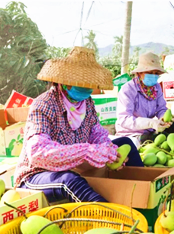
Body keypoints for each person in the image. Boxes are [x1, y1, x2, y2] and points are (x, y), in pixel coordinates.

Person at [14, 47, 144, 204]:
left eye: (89, 83)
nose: (87, 87)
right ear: (65, 82)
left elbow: (97, 133)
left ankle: (143, 195)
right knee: (69, 181)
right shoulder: (44, 104)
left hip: (72, 166)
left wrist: (109, 151)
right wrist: (86, 151)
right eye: (81, 82)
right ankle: (110, 216)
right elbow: (38, 153)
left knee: (124, 143)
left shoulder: (86, 103)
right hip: (37, 175)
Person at [115, 52, 174, 147]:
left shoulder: (156, 87)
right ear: (139, 73)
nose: (153, 75)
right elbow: (124, 120)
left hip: (152, 129)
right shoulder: (128, 89)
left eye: (156, 73)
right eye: (149, 73)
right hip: (134, 134)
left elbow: (161, 108)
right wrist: (151, 123)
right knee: (164, 138)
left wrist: (164, 118)